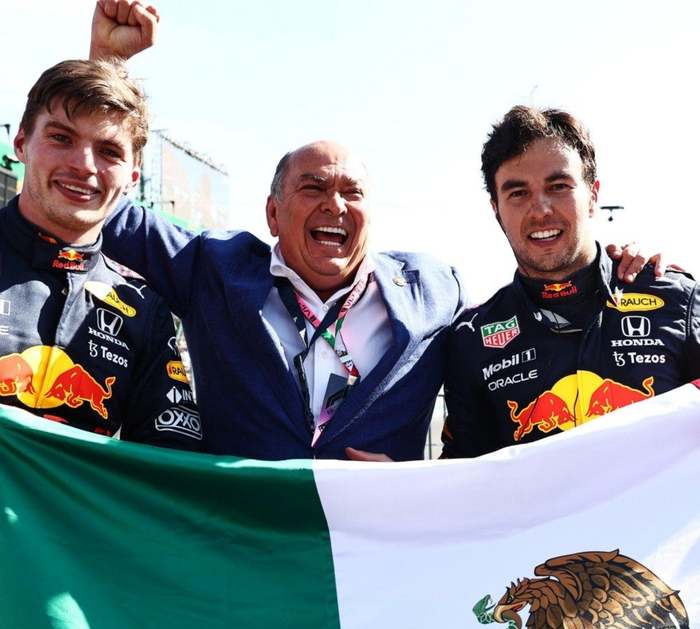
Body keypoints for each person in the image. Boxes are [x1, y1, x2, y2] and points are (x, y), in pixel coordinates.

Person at [89, 0, 655, 460]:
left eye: (352, 192)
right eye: (313, 188)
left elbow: (537, 312)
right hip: (246, 549)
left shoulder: (435, 291)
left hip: (372, 557)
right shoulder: (214, 269)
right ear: (273, 213)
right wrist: (107, 63)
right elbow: (100, 204)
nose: (335, 205)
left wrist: (614, 266)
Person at [441, 106, 700, 458]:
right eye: (518, 193)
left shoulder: (677, 300)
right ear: (496, 210)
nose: (541, 210)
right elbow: (462, 475)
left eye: (558, 186)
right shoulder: (471, 338)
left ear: (593, 195)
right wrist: (384, 478)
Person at [1, 57, 201, 448]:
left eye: (109, 151)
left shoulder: (144, 308)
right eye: (61, 138)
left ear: (132, 178)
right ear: (22, 143)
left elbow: (170, 465)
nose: (84, 165)